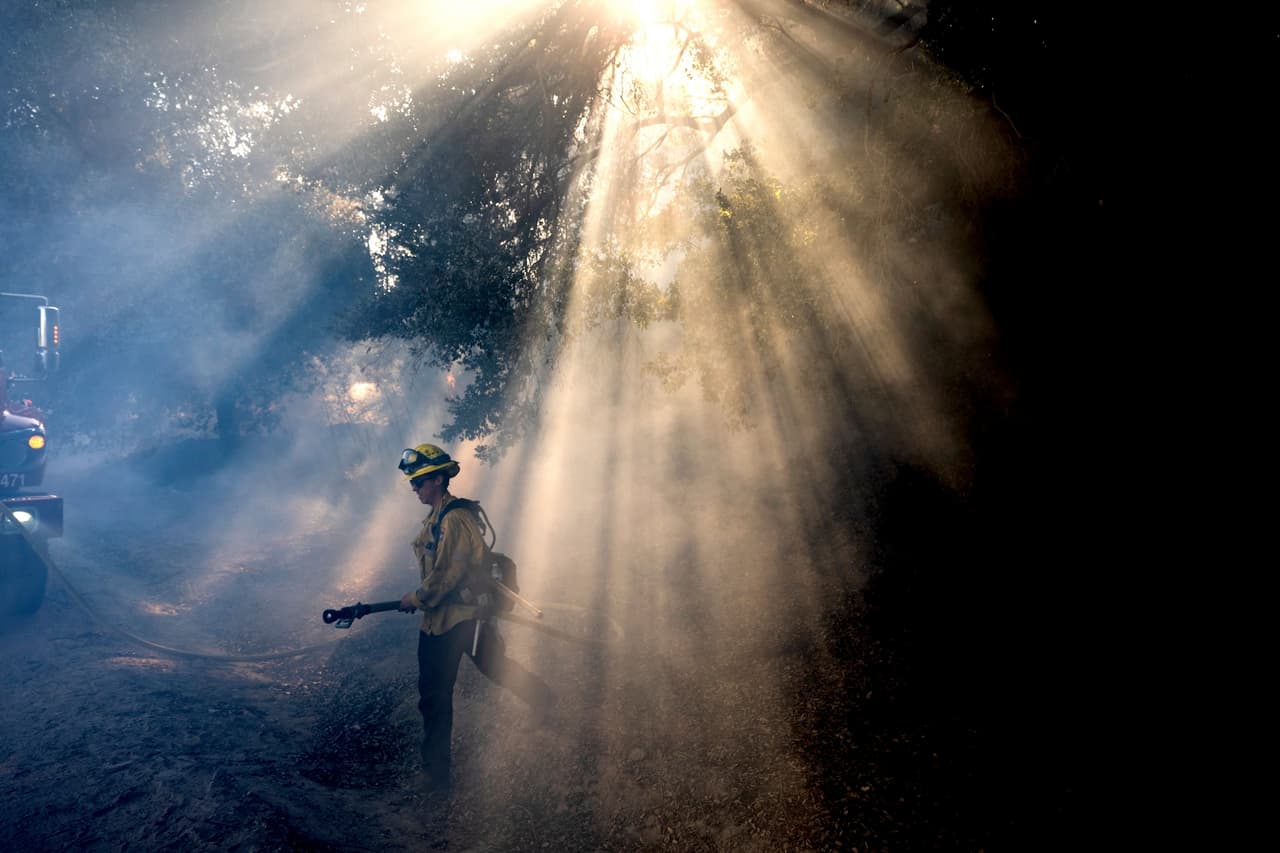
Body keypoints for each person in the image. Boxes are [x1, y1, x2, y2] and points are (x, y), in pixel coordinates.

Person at [397, 443, 553, 795]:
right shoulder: (438, 517)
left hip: (457, 622)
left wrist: (416, 598)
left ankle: (437, 779)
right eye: (413, 483)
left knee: (436, 697)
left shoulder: (454, 519)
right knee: (490, 669)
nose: (415, 489)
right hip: (447, 619)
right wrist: (422, 599)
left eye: (419, 482)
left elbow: (444, 577)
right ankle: (544, 699)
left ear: (438, 479)